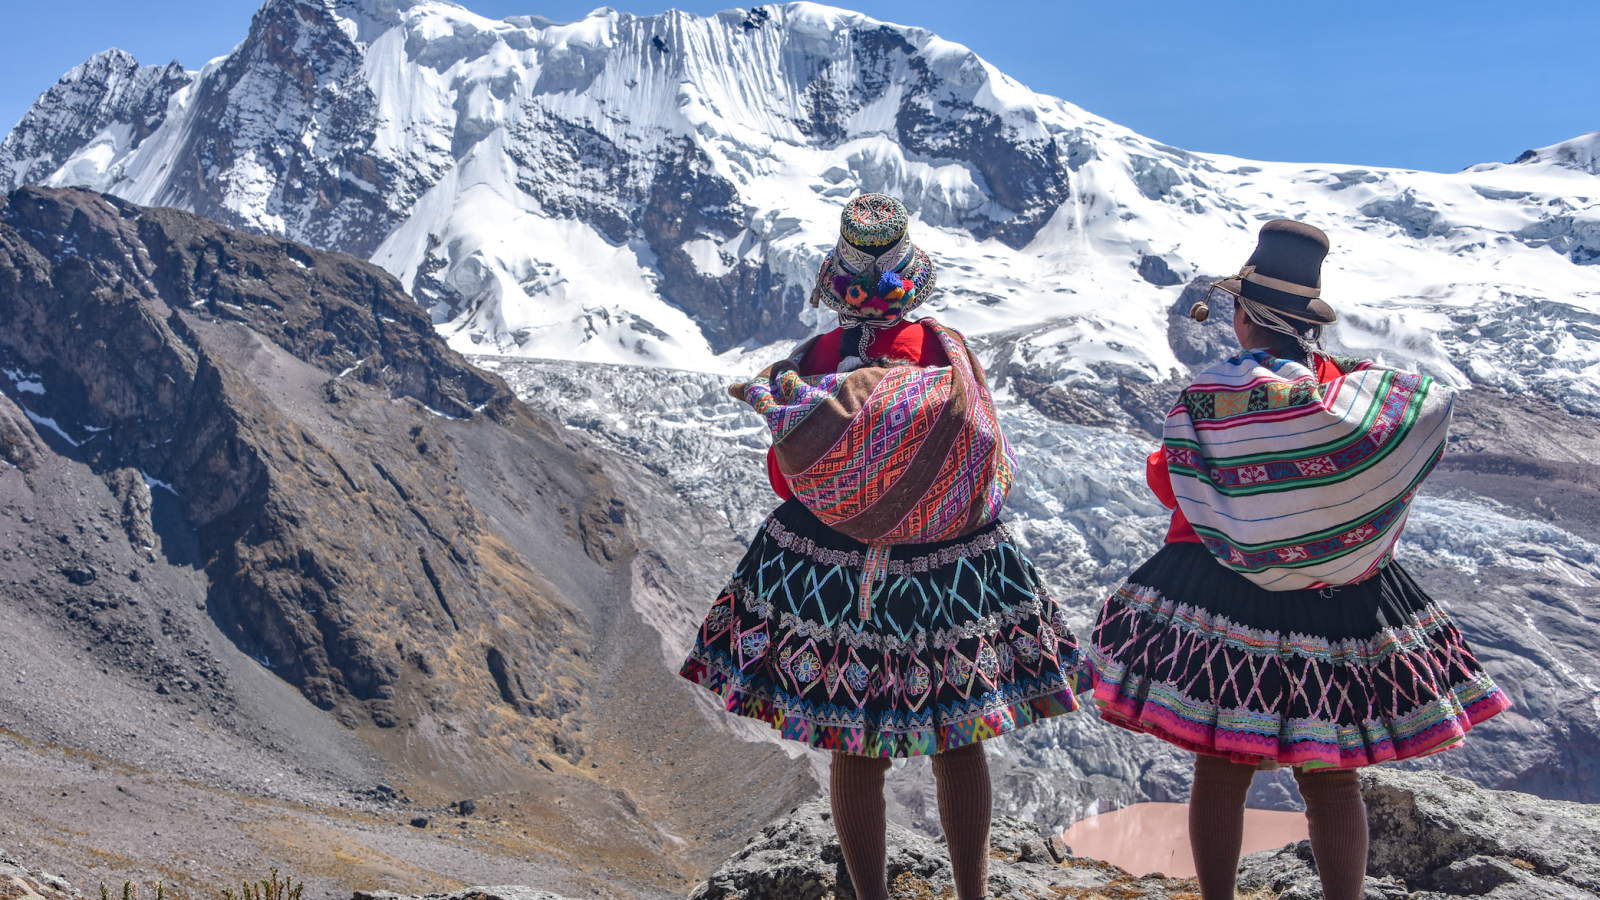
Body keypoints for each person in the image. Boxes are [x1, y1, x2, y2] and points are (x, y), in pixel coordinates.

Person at [1087, 220, 1512, 900]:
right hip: (1335, 601)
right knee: (1331, 772)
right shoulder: (1351, 393)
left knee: (1222, 765)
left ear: (1246, 315)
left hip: (1225, 597)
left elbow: (1174, 481)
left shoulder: (1217, 391)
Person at [680, 194, 1086, 900]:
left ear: (839, 285)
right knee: (958, 737)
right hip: (948, 563)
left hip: (832, 566)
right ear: (912, 282)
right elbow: (988, 457)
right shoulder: (947, 351)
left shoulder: (812, 362)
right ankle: (972, 892)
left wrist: (852, 482)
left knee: (853, 738)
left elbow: (785, 473)